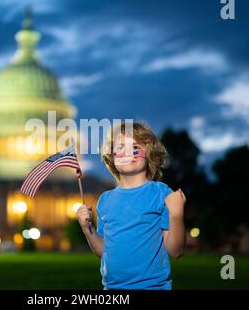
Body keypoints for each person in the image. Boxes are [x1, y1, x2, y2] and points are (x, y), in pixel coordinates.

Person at [77, 121, 186, 290]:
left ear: (149, 153)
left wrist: (177, 215)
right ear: (112, 157)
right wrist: (87, 229)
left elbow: (176, 251)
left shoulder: (160, 193)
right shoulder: (105, 200)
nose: (127, 152)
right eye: (120, 147)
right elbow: (103, 251)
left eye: (135, 146)